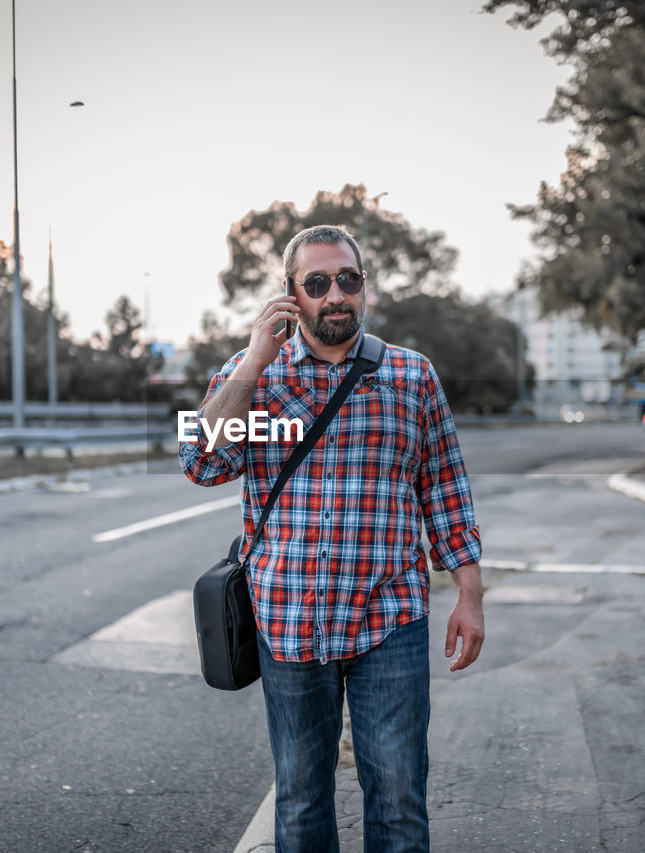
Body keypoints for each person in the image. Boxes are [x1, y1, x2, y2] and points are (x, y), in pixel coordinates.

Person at [180, 225, 484, 852]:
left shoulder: (412, 375)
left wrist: (470, 595)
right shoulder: (246, 376)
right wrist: (254, 360)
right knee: (300, 797)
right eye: (316, 284)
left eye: (347, 279)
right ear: (290, 295)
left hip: (389, 620)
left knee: (399, 796)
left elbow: (446, 490)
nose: (335, 295)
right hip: (289, 621)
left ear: (364, 285)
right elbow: (198, 461)